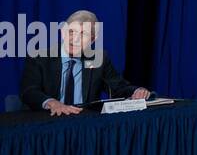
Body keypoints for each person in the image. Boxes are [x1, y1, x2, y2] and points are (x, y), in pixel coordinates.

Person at [20, 10, 150, 114]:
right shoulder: (39, 57)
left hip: (84, 122)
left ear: (93, 39)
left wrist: (137, 91)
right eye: (71, 32)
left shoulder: (98, 59)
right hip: (50, 121)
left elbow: (118, 87)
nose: (75, 39)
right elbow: (29, 91)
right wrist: (51, 103)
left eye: (83, 34)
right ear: (63, 32)